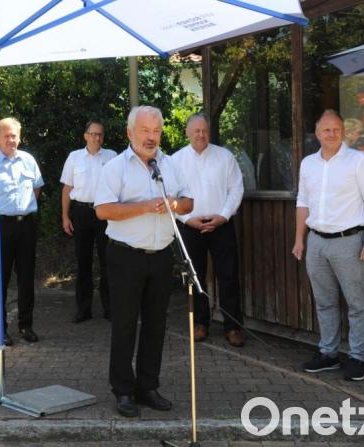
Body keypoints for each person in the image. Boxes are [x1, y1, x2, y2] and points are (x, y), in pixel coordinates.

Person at [95, 106, 193, 417]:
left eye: (156, 132)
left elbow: (189, 202)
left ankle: (148, 386)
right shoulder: (114, 168)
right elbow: (103, 210)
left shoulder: (170, 164)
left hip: (161, 255)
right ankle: (123, 390)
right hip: (126, 256)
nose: (152, 138)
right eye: (145, 131)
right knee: (124, 324)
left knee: (156, 324)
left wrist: (175, 204)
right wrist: (146, 207)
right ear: (130, 133)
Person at [292, 110, 364, 381]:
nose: (331, 134)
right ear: (317, 133)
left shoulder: (359, 161)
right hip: (317, 241)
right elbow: (302, 202)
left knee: (357, 302)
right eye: (325, 130)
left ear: (343, 132)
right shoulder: (308, 163)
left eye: (336, 129)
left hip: (349, 242)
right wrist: (299, 239)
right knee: (324, 302)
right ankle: (329, 354)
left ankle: (358, 358)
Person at [172, 113, 245, 347]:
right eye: (196, 131)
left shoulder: (225, 157)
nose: (201, 135)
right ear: (187, 132)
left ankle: (233, 327)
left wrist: (223, 216)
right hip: (190, 227)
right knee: (195, 278)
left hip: (221, 225)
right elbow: (169, 198)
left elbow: (236, 189)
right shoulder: (175, 161)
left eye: (204, 130)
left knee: (229, 276)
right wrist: (185, 218)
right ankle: (200, 324)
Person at [0, 117, 44, 345]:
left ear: (19, 136)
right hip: (2, 227)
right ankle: (0, 330)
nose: (10, 140)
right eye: (6, 135)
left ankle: (26, 326)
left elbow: (36, 189)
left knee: (26, 278)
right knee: (0, 279)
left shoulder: (28, 161)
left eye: (14, 135)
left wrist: (22, 211)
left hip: (26, 226)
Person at [60, 120, 116, 323]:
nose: (96, 138)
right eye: (93, 134)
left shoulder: (112, 157)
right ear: (85, 136)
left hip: (104, 212)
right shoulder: (74, 158)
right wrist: (65, 216)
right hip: (81, 213)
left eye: (100, 134)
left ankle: (110, 308)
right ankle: (83, 309)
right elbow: (67, 189)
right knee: (83, 262)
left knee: (107, 261)